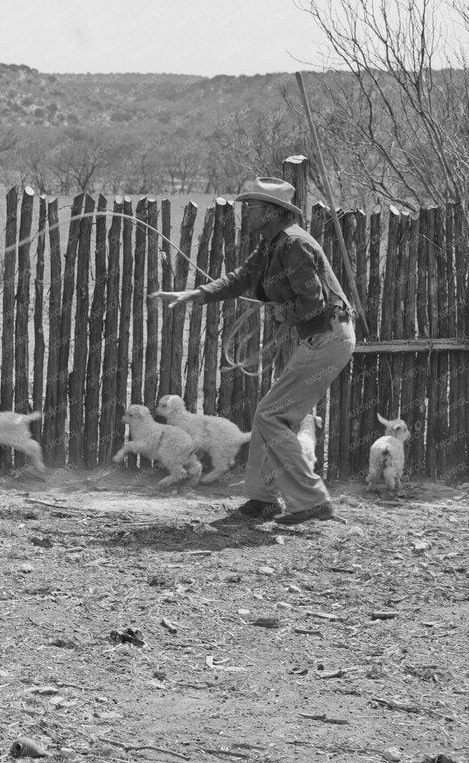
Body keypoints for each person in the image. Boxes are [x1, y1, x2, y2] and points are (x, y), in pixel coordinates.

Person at [152, 176, 354, 526]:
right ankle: (263, 500)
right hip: (324, 337)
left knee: (270, 416)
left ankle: (311, 500)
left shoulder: (293, 245)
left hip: (327, 335)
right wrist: (194, 294)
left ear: (273, 213)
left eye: (254, 207)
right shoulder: (274, 244)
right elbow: (241, 278)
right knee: (269, 414)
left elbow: (313, 304)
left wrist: (280, 312)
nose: (247, 213)